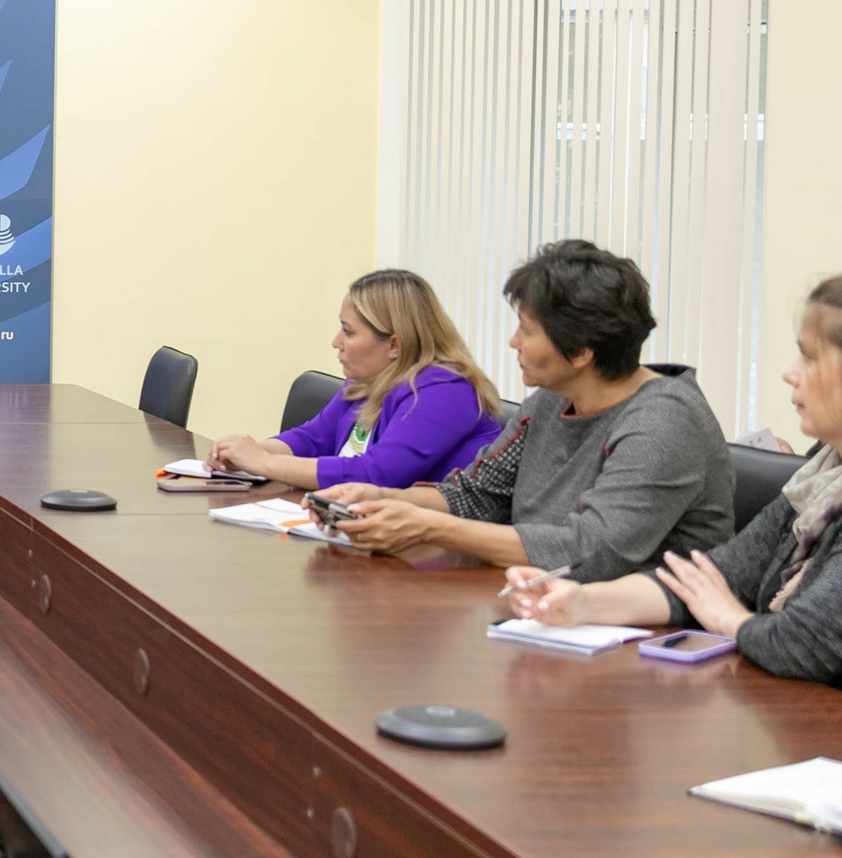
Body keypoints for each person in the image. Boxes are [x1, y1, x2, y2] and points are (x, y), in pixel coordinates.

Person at [322, 240, 734, 578]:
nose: (513, 342)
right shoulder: (553, 398)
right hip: (544, 600)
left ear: (581, 352)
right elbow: (477, 494)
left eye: (527, 329)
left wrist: (429, 527)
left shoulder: (663, 424)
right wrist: (382, 498)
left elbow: (592, 551)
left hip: (642, 630)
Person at [504, 276, 842, 682]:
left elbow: (805, 645)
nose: (790, 373)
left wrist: (730, 620)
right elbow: (710, 578)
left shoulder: (666, 417)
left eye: (809, 357)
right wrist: (582, 601)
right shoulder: (821, 476)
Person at [208, 269, 504, 491]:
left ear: (394, 345)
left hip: (448, 549)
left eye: (348, 332)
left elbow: (377, 475)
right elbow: (313, 439)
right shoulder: (366, 381)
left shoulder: (445, 390)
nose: (336, 342)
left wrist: (264, 463)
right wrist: (244, 454)